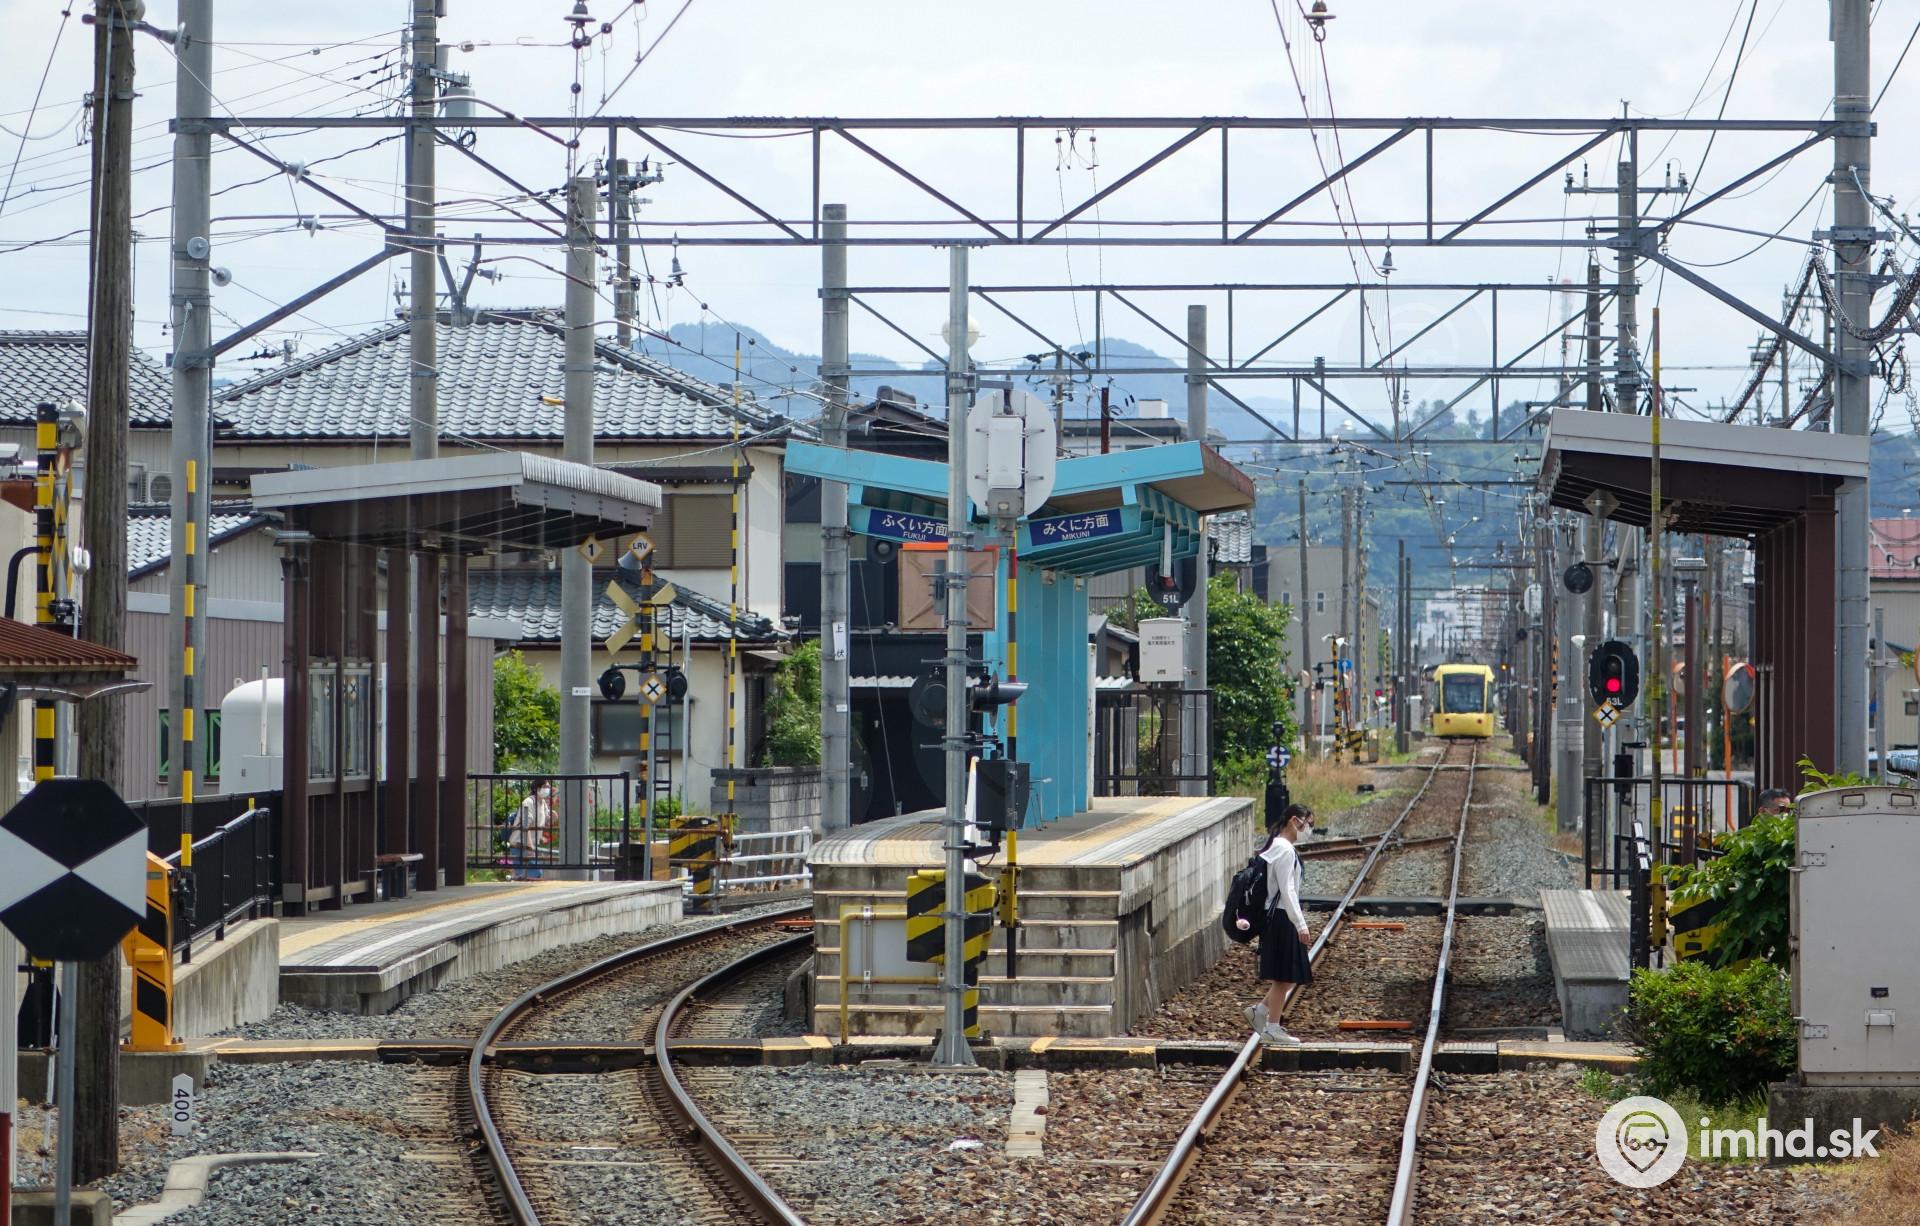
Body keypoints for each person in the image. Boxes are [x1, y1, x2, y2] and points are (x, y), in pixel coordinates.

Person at [1241, 802, 1315, 1044]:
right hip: (1282, 917)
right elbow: (1287, 889)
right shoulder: (1285, 850)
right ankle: (1272, 1027)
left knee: (1289, 974)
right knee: (1284, 975)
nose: (1310, 830)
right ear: (1295, 821)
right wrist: (1300, 923)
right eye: (1309, 824)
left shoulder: (1278, 846)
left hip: (1277, 916)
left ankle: (1260, 1012)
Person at [512, 782, 556, 880]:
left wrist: (552, 817)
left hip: (529, 845)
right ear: (537, 788)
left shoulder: (542, 803)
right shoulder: (528, 803)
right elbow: (525, 825)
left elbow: (545, 821)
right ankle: (515, 879)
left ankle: (515, 879)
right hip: (520, 845)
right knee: (534, 873)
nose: (547, 789)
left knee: (531, 874)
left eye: (548, 787)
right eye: (545, 786)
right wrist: (530, 846)